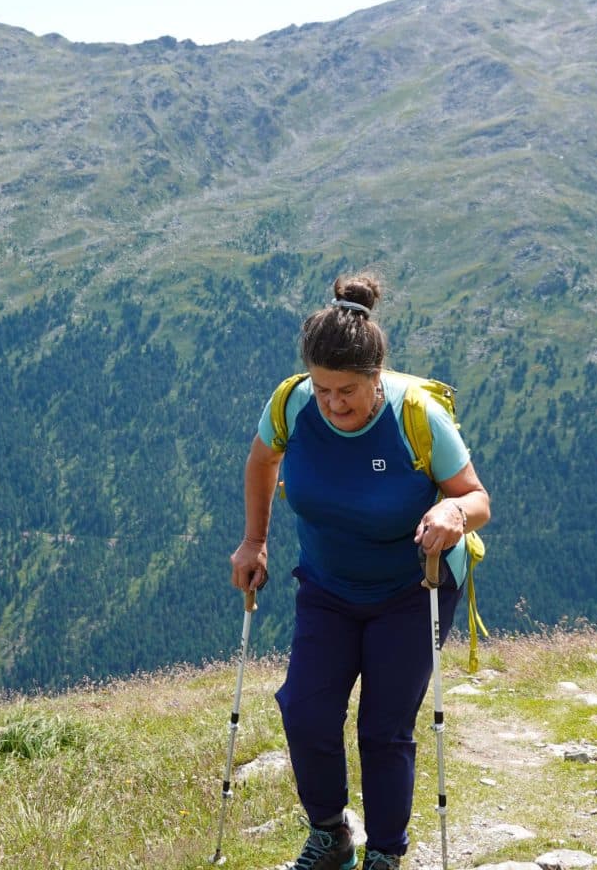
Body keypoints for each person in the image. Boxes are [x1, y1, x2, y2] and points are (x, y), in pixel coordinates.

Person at [230, 273, 491, 870]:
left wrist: (452, 511)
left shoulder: (417, 417)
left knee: (384, 726)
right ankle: (331, 834)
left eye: (346, 390)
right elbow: (262, 458)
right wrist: (254, 542)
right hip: (327, 587)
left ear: (377, 378)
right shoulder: (292, 402)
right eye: (322, 389)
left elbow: (477, 498)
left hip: (412, 589)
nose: (332, 403)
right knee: (304, 708)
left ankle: (387, 854)